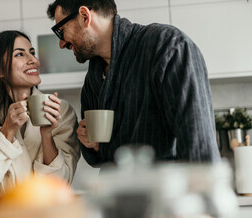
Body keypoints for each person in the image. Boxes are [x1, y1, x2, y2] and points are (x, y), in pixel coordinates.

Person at [47, 0, 221, 167]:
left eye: (61, 31)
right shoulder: (93, 81)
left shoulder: (166, 45)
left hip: (165, 192)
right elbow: (101, 157)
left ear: (85, 16)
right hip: (117, 193)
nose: (61, 44)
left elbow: (199, 145)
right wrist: (94, 144)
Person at [0, 30, 80, 196]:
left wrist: (47, 135)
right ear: (0, 70)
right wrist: (6, 132)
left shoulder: (61, 111)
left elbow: (58, 187)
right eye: (20, 54)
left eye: (32, 53)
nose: (33, 60)